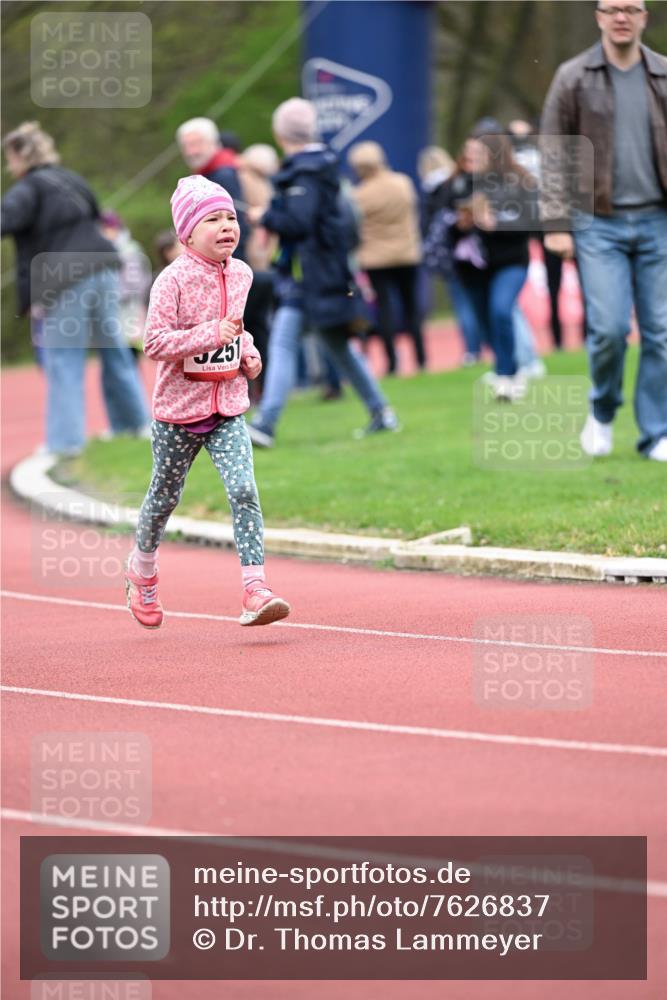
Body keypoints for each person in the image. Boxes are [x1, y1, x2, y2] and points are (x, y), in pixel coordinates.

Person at [124, 175, 290, 629]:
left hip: (228, 408)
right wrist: (207, 336)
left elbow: (235, 328)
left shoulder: (242, 273)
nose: (226, 226)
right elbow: (154, 342)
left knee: (243, 491)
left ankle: (256, 588)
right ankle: (142, 572)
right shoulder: (170, 281)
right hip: (178, 412)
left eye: (231, 217)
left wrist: (248, 353)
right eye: (213, 219)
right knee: (164, 497)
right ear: (187, 233)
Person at [541, 0, 667, 460]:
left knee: (661, 333)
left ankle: (656, 432)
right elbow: (554, 153)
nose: (621, 16)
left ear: (644, 17)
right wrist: (556, 224)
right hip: (597, 223)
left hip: (659, 221)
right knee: (610, 328)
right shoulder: (572, 77)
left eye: (631, 8)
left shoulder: (664, 74)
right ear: (598, 17)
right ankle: (602, 409)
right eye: (612, 8)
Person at [246, 98, 399, 448]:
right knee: (337, 346)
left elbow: (300, 221)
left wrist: (264, 217)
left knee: (284, 342)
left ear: (279, 133)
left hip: (310, 275)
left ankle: (267, 423)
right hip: (325, 272)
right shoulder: (321, 167)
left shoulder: (306, 171)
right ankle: (381, 412)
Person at [1, 122, 150, 457]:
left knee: (63, 356)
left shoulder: (30, 188)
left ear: (21, 156)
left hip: (65, 277)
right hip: (104, 268)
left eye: (10, 158)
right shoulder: (72, 179)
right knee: (113, 349)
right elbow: (99, 217)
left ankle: (65, 443)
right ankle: (135, 423)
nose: (9, 166)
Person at [449, 131, 537, 401]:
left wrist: (494, 225)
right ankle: (506, 367)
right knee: (485, 322)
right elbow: (439, 224)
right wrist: (459, 225)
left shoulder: (518, 182)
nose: (472, 158)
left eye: (479, 153)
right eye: (469, 153)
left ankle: (509, 374)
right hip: (473, 267)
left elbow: (532, 224)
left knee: (501, 310)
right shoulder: (460, 184)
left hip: (510, 262)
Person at [348, 141, 426, 374]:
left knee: (384, 310)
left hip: (375, 259)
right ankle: (421, 358)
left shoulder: (358, 195)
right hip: (407, 254)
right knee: (411, 307)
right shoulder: (403, 183)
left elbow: (354, 227)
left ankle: (392, 362)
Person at [99, 210, 152, 362]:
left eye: (106, 228)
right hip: (116, 311)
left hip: (130, 310)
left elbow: (136, 284)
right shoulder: (108, 249)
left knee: (130, 355)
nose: (103, 232)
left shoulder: (129, 249)